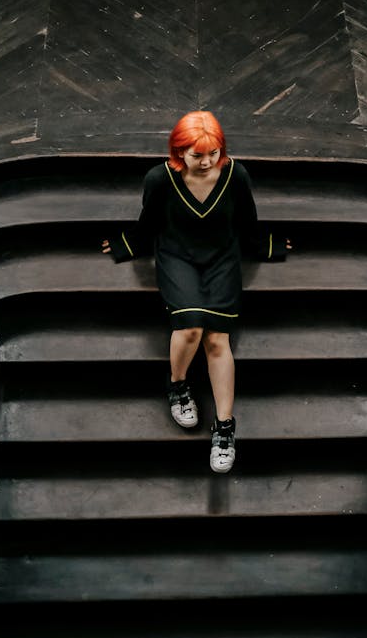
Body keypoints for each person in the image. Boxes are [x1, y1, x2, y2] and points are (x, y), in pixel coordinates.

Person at [102, 110, 289, 474]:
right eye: (197, 155)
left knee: (218, 338)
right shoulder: (159, 178)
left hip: (222, 257)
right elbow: (148, 222)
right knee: (189, 327)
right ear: (179, 153)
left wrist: (267, 246)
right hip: (176, 255)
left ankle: (224, 429)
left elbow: (248, 222)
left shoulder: (236, 176)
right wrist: (128, 245)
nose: (206, 162)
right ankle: (178, 385)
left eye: (213, 153)